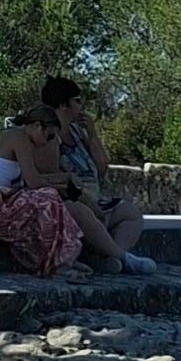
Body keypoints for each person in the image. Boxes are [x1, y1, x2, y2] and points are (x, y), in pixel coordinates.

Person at [42, 76, 153, 268]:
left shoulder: (78, 133)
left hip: (96, 201)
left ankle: (112, 256)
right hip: (76, 203)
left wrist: (92, 136)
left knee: (130, 214)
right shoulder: (48, 137)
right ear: (62, 104)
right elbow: (54, 178)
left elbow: (101, 168)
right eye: (77, 100)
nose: (81, 106)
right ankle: (119, 259)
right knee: (84, 213)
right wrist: (88, 203)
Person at [0, 104, 83, 277]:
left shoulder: (11, 135)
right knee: (48, 199)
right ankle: (59, 261)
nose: (48, 142)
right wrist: (64, 181)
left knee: (47, 200)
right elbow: (34, 182)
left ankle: (60, 258)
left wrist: (65, 178)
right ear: (37, 126)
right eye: (49, 136)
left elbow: (31, 180)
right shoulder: (20, 138)